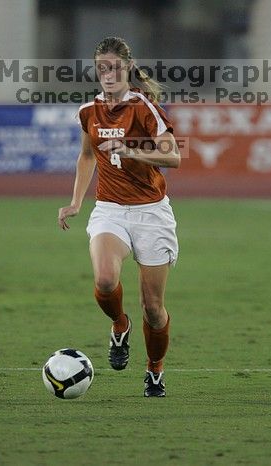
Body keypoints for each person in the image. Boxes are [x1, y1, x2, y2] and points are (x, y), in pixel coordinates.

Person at [57, 36, 181, 396]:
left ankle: (154, 369)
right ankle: (119, 325)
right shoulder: (88, 112)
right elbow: (86, 156)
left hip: (151, 213)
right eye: (102, 68)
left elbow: (173, 157)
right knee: (106, 280)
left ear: (127, 68)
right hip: (109, 209)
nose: (108, 74)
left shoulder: (144, 107)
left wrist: (132, 151)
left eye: (114, 67)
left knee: (154, 308)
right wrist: (76, 202)